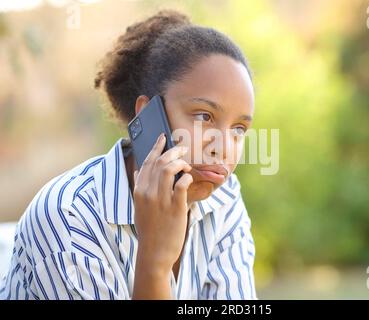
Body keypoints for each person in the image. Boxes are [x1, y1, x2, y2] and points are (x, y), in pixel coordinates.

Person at [0, 9, 256, 300]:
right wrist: (155, 263)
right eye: (204, 116)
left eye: (238, 129)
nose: (223, 147)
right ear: (148, 114)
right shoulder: (69, 216)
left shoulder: (223, 201)